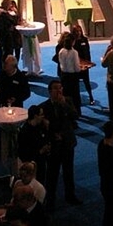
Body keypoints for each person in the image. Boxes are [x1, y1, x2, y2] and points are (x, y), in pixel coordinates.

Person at [40, 80, 82, 209]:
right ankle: (50, 200)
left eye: (60, 88)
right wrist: (53, 134)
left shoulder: (67, 101)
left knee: (68, 172)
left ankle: (70, 196)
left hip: (67, 143)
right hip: (54, 146)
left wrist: (64, 104)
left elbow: (75, 116)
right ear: (50, 91)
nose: (59, 91)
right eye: (56, 89)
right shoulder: (44, 107)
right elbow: (43, 128)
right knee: (52, 174)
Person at [17, 104, 50, 184]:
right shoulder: (25, 132)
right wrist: (40, 151)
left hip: (41, 162)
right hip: (30, 167)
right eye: (41, 115)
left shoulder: (40, 126)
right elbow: (24, 154)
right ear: (35, 116)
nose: (43, 117)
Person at [0, 0, 20, 72]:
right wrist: (15, 12)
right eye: (9, 4)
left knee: (1, 56)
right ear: (6, 4)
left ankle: (1, 71)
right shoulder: (4, 14)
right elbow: (14, 22)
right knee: (7, 57)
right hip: (7, 38)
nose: (10, 5)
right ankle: (8, 72)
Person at [57, 32, 81, 115]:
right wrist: (80, 70)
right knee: (75, 95)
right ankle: (76, 112)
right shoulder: (74, 53)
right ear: (72, 42)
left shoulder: (61, 51)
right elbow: (77, 67)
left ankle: (66, 112)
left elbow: (60, 63)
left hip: (64, 75)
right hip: (72, 76)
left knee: (66, 94)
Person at [71, 23, 94, 105]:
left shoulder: (85, 39)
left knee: (87, 82)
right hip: (76, 65)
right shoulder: (72, 41)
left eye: (80, 31)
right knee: (75, 83)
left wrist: (89, 63)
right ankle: (77, 99)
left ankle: (91, 97)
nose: (79, 33)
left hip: (85, 64)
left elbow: (88, 52)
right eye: (76, 31)